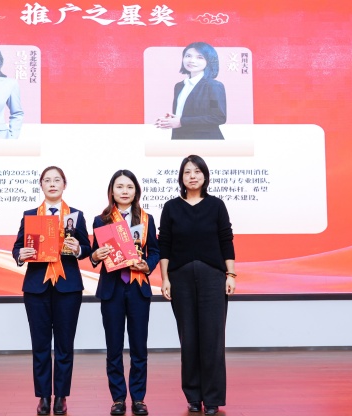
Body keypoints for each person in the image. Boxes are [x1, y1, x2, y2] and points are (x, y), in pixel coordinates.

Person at [158, 155, 236, 415]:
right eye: (187, 172)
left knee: (213, 339)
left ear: (205, 175)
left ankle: (212, 398)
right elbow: (165, 245)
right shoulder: (171, 207)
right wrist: (165, 278)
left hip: (213, 278)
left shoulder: (216, 205)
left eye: (197, 171)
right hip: (179, 279)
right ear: (181, 177)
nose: (192, 176)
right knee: (188, 338)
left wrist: (231, 275)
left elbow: (226, 240)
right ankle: (193, 396)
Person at [12, 166, 91, 416]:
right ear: (41, 185)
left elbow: (87, 249)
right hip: (37, 288)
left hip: (68, 288)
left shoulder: (75, 215)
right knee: (41, 345)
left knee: (65, 345)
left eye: (57, 180)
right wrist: (21, 255)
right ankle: (44, 397)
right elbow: (17, 248)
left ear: (64, 185)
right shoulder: (30, 216)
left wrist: (78, 249)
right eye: (47, 180)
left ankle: (61, 397)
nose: (53, 184)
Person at [90, 170, 160, 416]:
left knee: (139, 347)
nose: (124, 191)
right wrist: (95, 255)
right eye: (119, 187)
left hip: (138, 288)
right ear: (112, 191)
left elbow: (155, 251)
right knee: (114, 348)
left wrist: (147, 265)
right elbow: (95, 253)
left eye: (129, 187)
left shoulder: (147, 219)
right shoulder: (101, 220)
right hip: (112, 289)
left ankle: (138, 398)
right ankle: (118, 398)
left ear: (136, 191)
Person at [155, 42, 226, 140]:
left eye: (200, 57)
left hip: (205, 141)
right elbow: (188, 114)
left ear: (209, 61)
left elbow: (218, 117)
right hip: (180, 138)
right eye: (188, 56)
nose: (192, 60)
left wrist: (181, 121)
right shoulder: (179, 86)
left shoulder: (213, 86)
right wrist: (171, 120)